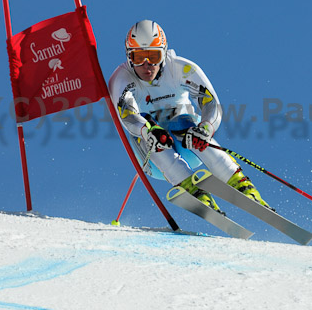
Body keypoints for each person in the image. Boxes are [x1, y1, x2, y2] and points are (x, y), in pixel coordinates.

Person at [108, 20, 271, 214]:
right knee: (152, 128)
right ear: (128, 57)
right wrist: (147, 130)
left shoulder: (181, 69)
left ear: (164, 53)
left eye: (153, 56)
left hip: (190, 147)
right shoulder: (121, 78)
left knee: (184, 123)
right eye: (138, 57)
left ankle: (243, 187)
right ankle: (192, 190)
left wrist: (205, 129)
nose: (147, 65)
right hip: (152, 159)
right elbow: (128, 115)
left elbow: (211, 104)